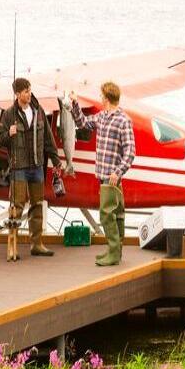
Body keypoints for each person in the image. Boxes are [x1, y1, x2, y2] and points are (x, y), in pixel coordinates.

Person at [69, 82, 135, 266]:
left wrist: (118, 172)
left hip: (112, 176)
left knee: (107, 214)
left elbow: (130, 152)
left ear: (106, 98)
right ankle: (115, 251)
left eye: (101, 96)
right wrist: (74, 103)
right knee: (117, 213)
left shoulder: (123, 120)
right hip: (103, 173)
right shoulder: (102, 116)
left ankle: (114, 252)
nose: (100, 98)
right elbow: (82, 123)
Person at [0, 78, 62, 257]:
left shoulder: (38, 110)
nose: (29, 93)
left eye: (29, 90)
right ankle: (13, 247)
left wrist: (56, 160)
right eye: (25, 91)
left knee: (37, 205)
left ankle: (37, 244)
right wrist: (8, 134)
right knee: (16, 207)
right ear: (17, 94)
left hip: (37, 166)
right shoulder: (9, 114)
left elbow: (48, 137)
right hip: (18, 167)